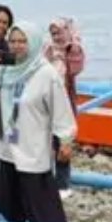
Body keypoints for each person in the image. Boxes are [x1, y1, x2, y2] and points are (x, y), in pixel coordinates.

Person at [0, 22, 76, 222]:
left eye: (22, 41)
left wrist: (66, 140)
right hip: (8, 145)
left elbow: (61, 110)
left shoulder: (45, 73)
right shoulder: (6, 70)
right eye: (13, 41)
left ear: (34, 43)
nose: (17, 46)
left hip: (33, 145)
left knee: (40, 197)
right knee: (8, 195)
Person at [44, 17, 86, 198]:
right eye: (53, 33)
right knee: (44, 143)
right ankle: (45, 180)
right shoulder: (47, 49)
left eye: (59, 32)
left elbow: (76, 68)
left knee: (63, 143)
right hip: (46, 102)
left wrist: (72, 47)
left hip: (64, 103)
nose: (57, 36)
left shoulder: (74, 48)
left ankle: (62, 184)